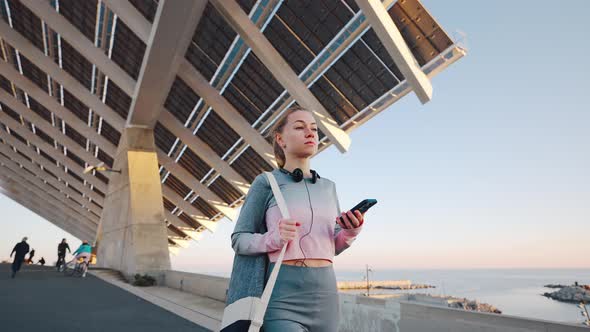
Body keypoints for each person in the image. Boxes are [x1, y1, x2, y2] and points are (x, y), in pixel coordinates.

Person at [225, 107, 365, 331]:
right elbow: (238, 239)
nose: (310, 133)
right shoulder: (266, 183)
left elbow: (333, 247)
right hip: (282, 296)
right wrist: (274, 239)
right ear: (280, 139)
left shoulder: (329, 187)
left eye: (314, 129)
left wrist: (351, 231)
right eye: (300, 127)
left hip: (326, 296)